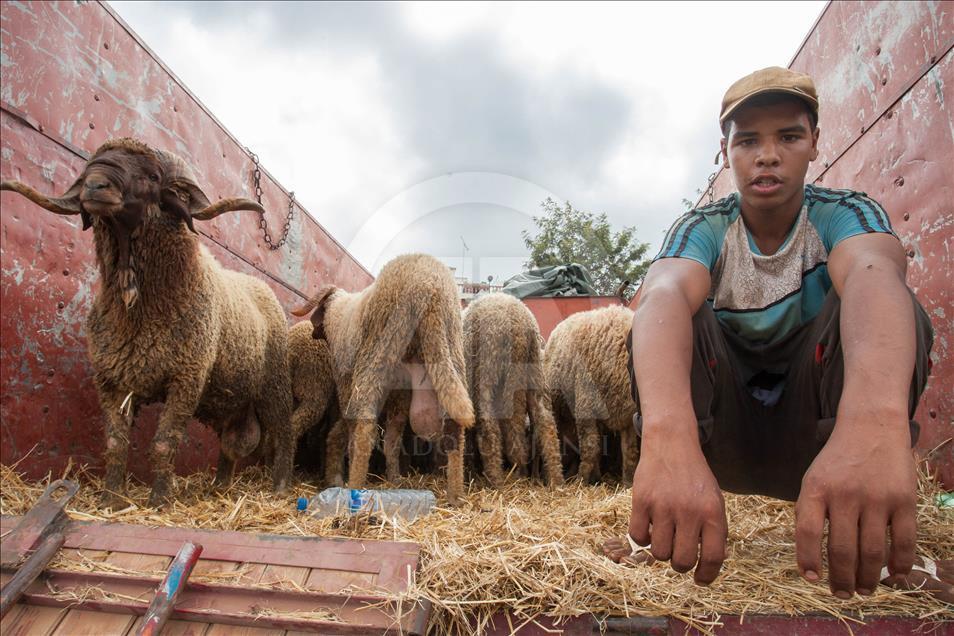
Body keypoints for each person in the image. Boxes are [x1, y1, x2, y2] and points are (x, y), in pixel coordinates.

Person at [602, 67, 945, 600]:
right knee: (664, 312)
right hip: (720, 439)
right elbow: (663, 293)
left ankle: (872, 540)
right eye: (748, 141)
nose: (767, 155)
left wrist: (875, 423)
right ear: (725, 152)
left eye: (788, 136)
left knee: (886, 300)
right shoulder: (706, 228)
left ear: (813, 143)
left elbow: (876, 274)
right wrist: (667, 440)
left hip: (821, 438)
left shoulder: (843, 213)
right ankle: (658, 533)